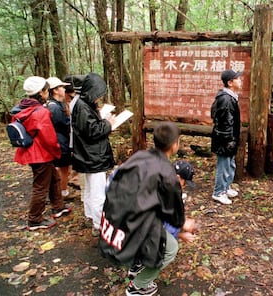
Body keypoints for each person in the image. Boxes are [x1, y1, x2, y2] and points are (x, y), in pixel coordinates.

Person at [99, 122, 187, 296]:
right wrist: (183, 225)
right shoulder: (168, 174)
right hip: (135, 223)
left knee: (154, 229)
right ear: (175, 144)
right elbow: (173, 215)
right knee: (170, 249)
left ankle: (137, 263)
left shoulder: (139, 156)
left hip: (116, 215)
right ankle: (138, 286)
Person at [12, 76, 72, 231]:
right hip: (41, 154)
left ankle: (58, 206)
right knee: (40, 186)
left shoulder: (23, 107)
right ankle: (34, 219)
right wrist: (57, 151)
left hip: (33, 152)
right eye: (46, 90)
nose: (47, 93)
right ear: (42, 92)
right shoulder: (40, 112)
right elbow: (49, 138)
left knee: (54, 178)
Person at [71, 72, 115, 236]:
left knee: (90, 189)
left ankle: (91, 216)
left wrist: (100, 117)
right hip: (93, 156)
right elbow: (93, 131)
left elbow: (88, 126)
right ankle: (99, 225)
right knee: (98, 193)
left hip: (88, 155)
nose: (99, 98)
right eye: (98, 95)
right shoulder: (83, 107)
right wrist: (108, 124)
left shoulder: (83, 104)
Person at [210, 69, 242, 205]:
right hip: (224, 139)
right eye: (237, 79)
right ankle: (218, 192)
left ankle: (226, 187)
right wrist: (228, 140)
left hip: (229, 139)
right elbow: (224, 122)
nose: (240, 81)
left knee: (230, 165)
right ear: (230, 83)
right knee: (223, 166)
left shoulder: (230, 97)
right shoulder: (225, 99)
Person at [46, 77, 72, 199]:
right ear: (55, 90)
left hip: (59, 141)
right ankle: (61, 193)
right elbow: (64, 125)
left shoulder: (56, 105)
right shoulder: (54, 107)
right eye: (61, 87)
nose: (64, 89)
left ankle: (59, 193)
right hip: (60, 142)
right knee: (62, 168)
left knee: (62, 168)